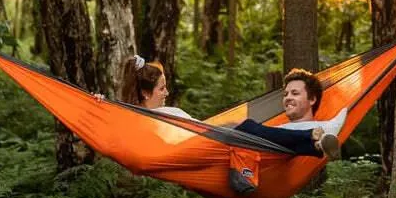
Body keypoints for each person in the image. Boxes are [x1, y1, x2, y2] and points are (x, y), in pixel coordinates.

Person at [117, 55, 341, 160]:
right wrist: (98, 104)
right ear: (146, 93)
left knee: (255, 133)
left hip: (204, 138)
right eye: (161, 89)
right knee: (250, 129)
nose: (166, 93)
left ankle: (317, 143)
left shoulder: (145, 114)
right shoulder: (143, 117)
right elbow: (120, 125)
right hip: (200, 146)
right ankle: (316, 134)